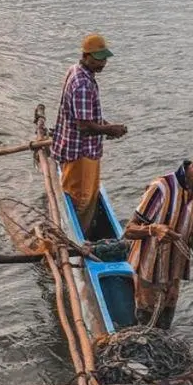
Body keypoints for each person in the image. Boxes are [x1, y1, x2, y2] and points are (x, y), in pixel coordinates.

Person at [123, 142, 193, 329]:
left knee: (164, 326)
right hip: (148, 271)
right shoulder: (161, 188)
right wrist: (153, 230)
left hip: (173, 272)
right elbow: (129, 229)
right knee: (147, 327)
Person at [51, 33, 128, 234]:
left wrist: (105, 125)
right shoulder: (83, 84)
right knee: (82, 200)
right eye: (98, 58)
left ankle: (78, 231)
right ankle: (78, 241)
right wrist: (109, 130)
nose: (103, 63)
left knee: (82, 194)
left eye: (104, 58)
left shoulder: (76, 71)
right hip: (81, 152)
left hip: (74, 147)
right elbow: (84, 125)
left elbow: (86, 115)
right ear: (86, 56)